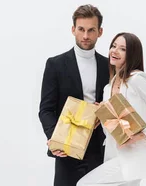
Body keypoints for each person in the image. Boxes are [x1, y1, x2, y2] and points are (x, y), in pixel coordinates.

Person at [76, 32, 146, 186]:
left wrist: (141, 135)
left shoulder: (137, 80)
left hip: (134, 155)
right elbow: (115, 121)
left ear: (132, 54)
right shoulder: (108, 87)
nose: (114, 51)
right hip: (113, 152)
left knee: (85, 184)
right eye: (113, 46)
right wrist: (101, 112)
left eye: (122, 49)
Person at [39, 4, 111, 186]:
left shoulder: (108, 66)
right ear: (73, 30)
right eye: (81, 29)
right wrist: (55, 139)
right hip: (67, 148)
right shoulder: (55, 64)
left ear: (100, 32)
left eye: (91, 30)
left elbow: (114, 104)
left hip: (100, 149)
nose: (85, 36)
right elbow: (46, 109)